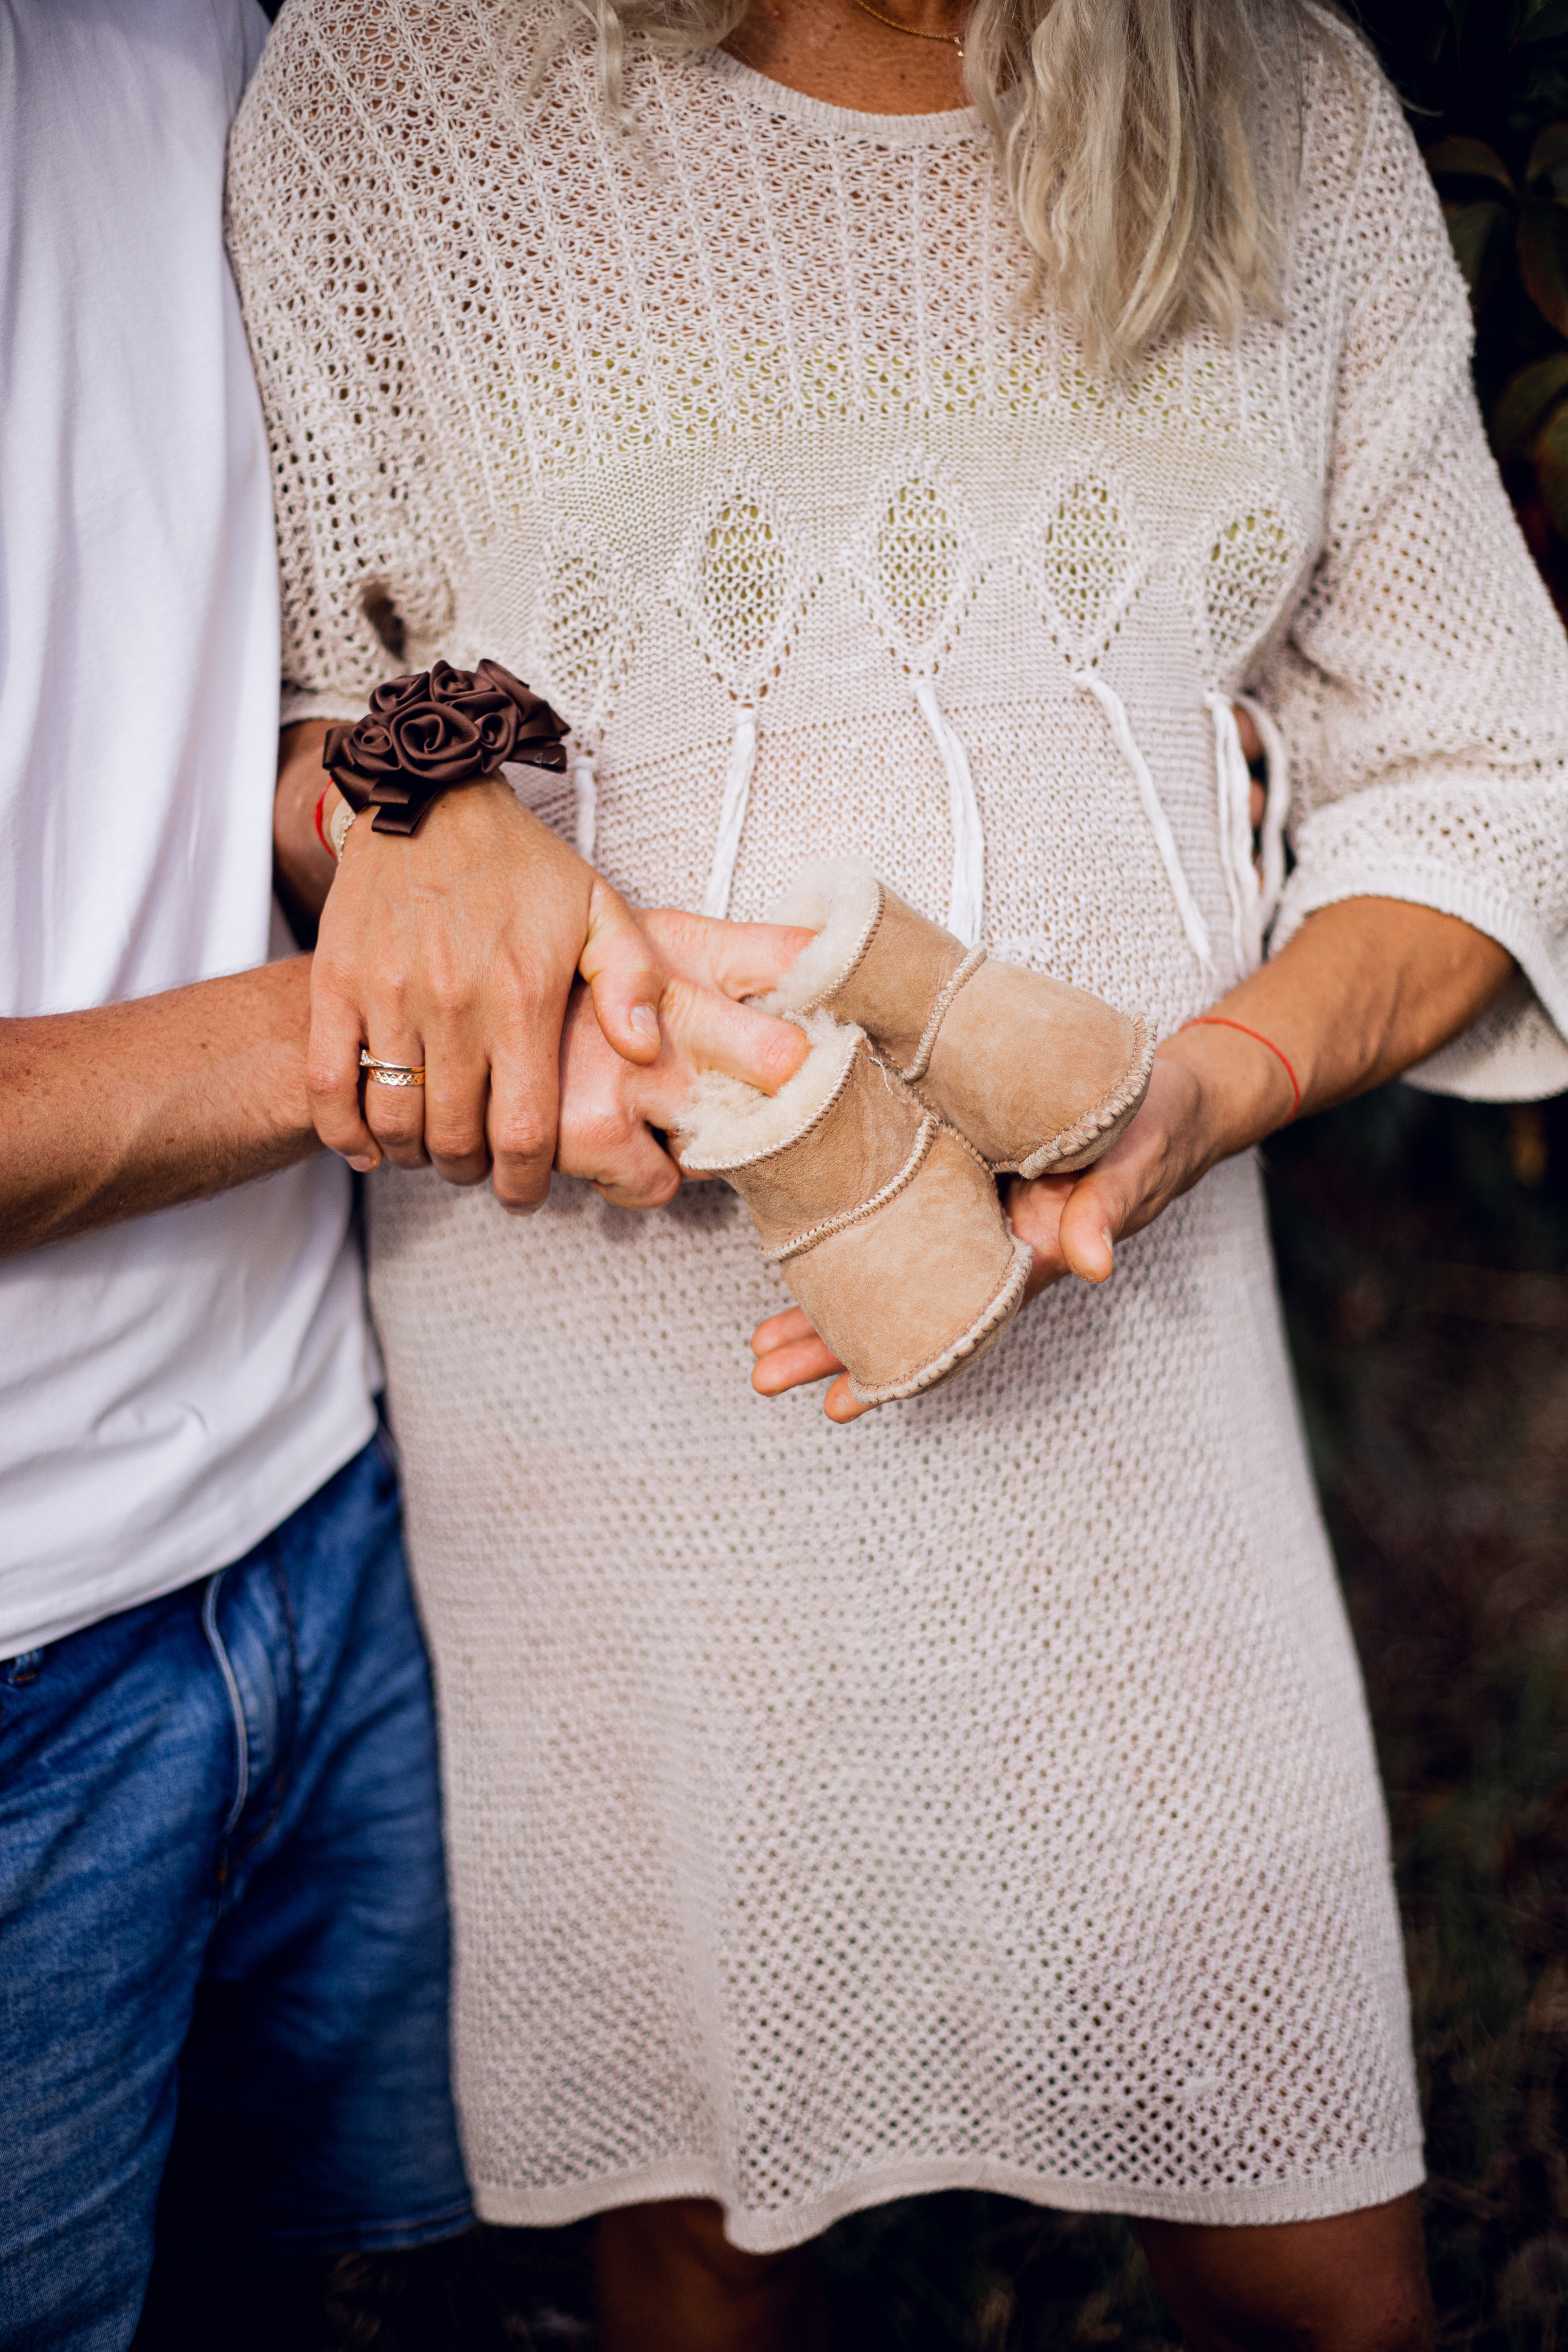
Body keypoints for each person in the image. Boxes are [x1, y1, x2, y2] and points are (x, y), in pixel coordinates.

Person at [227, 0, 1568, 2342]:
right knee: (702, 2234)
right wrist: (411, 812)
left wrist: (1210, 1087)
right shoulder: (401, 72)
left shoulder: (1275, 102)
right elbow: (274, 698)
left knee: (1324, 2263)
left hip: (1130, 1328)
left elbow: (1487, 764)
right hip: (604, 1364)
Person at [0, 8, 801, 2348]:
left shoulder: (180, 46)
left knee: (369, 2300)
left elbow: (183, 689)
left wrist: (415, 808)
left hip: (329, 1511)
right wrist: (360, 1033)